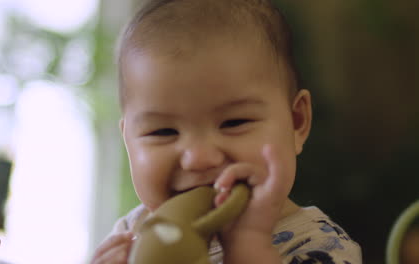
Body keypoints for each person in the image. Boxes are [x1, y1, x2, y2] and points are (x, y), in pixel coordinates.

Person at [91, 0, 362, 263]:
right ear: (128, 140)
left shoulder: (321, 246)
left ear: (296, 122)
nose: (198, 158)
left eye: (234, 123)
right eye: (163, 131)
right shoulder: (134, 233)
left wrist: (249, 245)